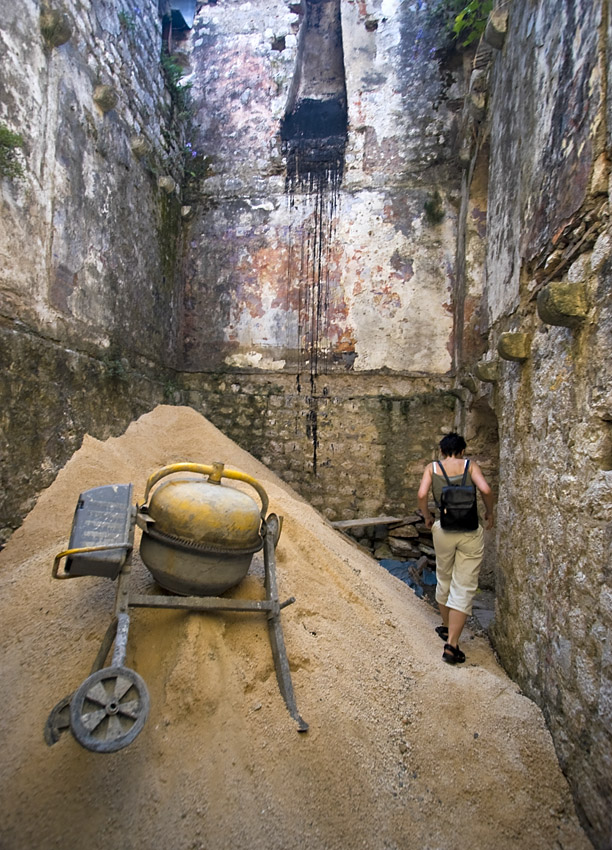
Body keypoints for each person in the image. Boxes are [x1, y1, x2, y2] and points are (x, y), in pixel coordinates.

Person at [417, 432, 494, 665]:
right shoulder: (470, 466)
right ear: (462, 451)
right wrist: (490, 513)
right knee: (465, 584)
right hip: (470, 530)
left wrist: (428, 517)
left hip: (444, 529)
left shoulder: (433, 468)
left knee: (444, 576)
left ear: (442, 451)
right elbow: (486, 490)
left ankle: (446, 625)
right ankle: (452, 644)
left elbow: (422, 494)